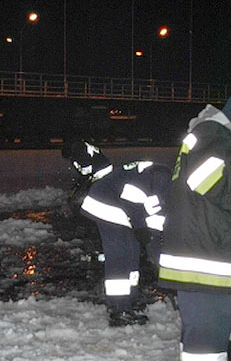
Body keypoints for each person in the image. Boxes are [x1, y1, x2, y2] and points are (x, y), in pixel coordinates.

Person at [158, 89, 231, 360]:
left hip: (203, 254)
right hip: (201, 260)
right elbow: (204, 181)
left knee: (205, 336)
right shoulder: (214, 135)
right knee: (206, 340)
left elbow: (213, 203)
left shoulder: (212, 136)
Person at [62, 140, 171, 327]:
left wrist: (157, 257)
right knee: (121, 256)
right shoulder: (163, 177)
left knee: (132, 254)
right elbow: (131, 199)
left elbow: (153, 228)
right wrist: (141, 230)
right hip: (106, 202)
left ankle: (127, 304)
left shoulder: (172, 192)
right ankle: (119, 311)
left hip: (122, 209)